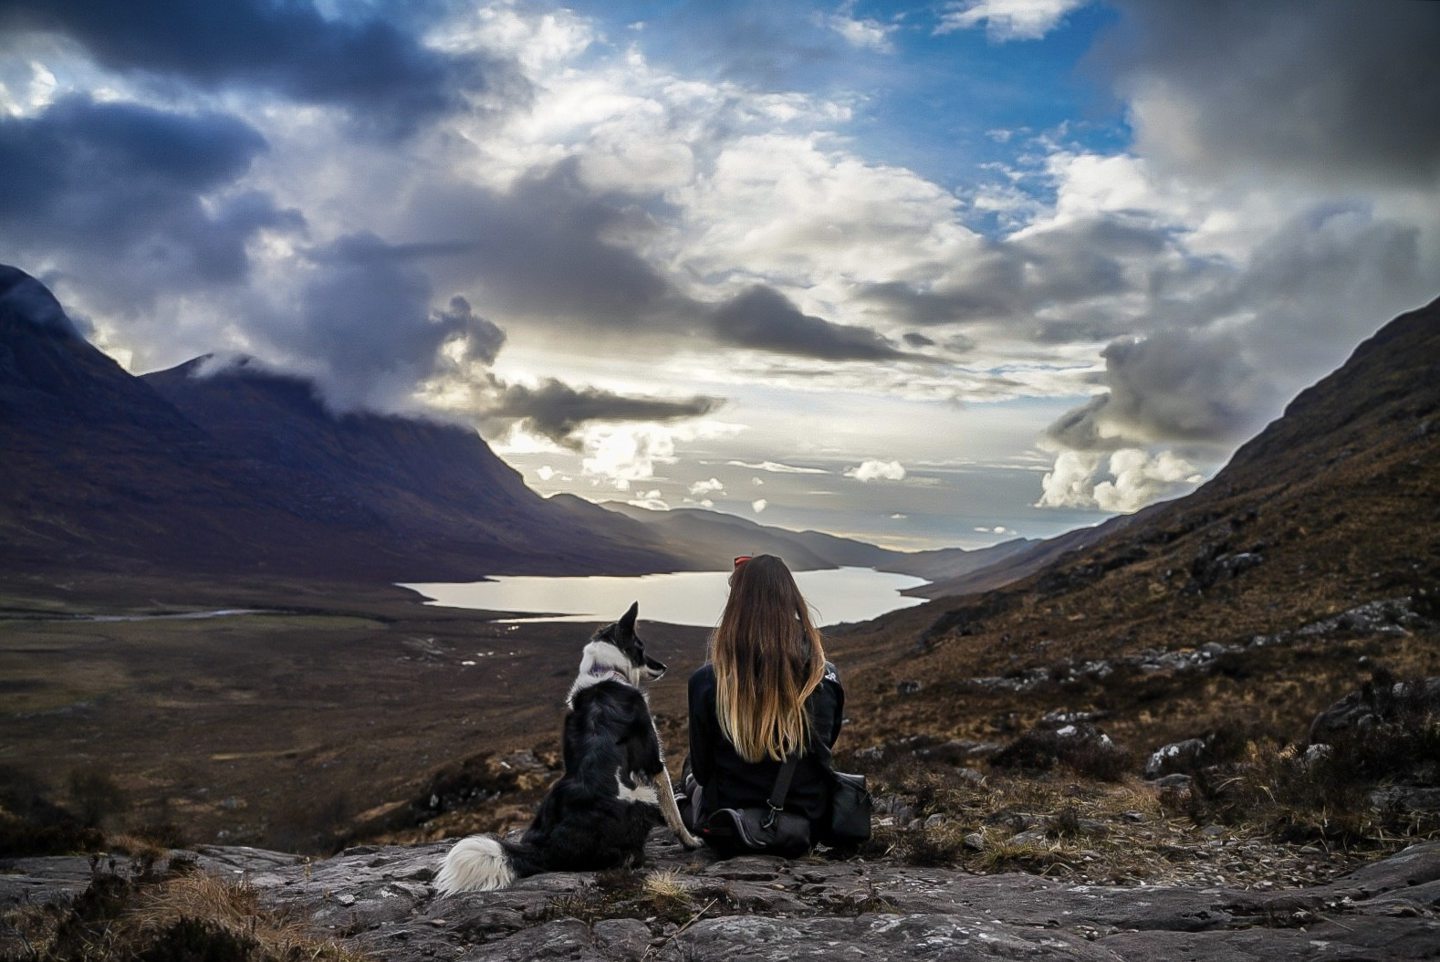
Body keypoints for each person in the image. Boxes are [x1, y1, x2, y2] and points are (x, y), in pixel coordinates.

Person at [681, 554, 845, 851]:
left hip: (729, 821)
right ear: (792, 600)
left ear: (737, 608)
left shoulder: (707, 681)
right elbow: (824, 748)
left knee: (690, 769)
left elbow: (704, 773)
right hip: (806, 824)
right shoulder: (825, 677)